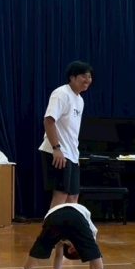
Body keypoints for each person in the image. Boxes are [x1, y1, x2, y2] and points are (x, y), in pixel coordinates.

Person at [11, 201, 114, 269]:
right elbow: (93, 248)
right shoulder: (85, 232)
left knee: (41, 245)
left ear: (69, 249)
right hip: (75, 215)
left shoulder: (61, 241)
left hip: (54, 217)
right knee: (91, 246)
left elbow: (58, 255)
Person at [40, 60, 93, 209]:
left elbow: (71, 131)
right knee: (61, 195)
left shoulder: (80, 100)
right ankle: (51, 225)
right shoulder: (61, 94)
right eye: (84, 76)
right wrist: (56, 148)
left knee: (73, 197)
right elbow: (49, 121)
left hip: (71, 155)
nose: (87, 80)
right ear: (72, 77)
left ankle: (69, 225)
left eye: (89, 76)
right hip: (57, 151)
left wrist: (75, 156)